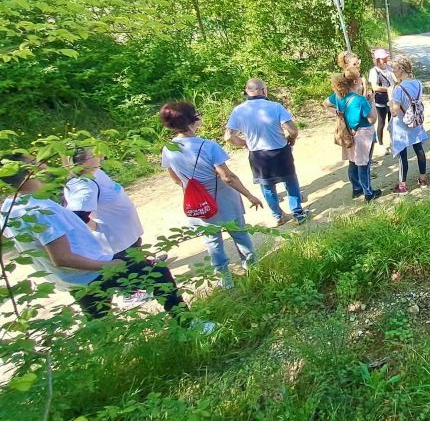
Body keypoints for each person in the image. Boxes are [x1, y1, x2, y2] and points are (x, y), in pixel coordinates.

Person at [1, 154, 211, 330]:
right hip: (91, 271)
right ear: (31, 171)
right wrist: (109, 265)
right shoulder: (38, 212)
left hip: (72, 279)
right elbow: (61, 258)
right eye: (36, 161)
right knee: (157, 273)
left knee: (98, 320)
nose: (44, 164)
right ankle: (190, 324)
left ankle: (105, 357)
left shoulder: (10, 208)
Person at [160, 102, 263, 289]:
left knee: (212, 241)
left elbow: (175, 179)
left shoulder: (168, 148)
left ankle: (225, 279)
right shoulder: (208, 146)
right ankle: (252, 268)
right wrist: (249, 195)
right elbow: (227, 177)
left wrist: (194, 189)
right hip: (223, 197)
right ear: (191, 121)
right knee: (239, 233)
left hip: (198, 201)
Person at [64, 148, 149, 306]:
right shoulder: (84, 185)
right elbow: (76, 215)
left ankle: (144, 270)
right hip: (113, 237)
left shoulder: (96, 173)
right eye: (95, 154)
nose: (101, 154)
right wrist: (94, 225)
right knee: (124, 261)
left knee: (134, 253)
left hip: (125, 232)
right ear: (83, 162)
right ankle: (129, 294)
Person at [224, 78, 305, 226]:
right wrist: (291, 140)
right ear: (263, 90)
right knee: (290, 180)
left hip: (258, 155)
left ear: (247, 92)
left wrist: (244, 144)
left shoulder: (239, 111)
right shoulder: (275, 107)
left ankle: (277, 215)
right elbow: (293, 130)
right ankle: (298, 213)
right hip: (280, 151)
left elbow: (228, 137)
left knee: (267, 186)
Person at [324, 69, 382, 202]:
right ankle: (368, 192)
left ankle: (356, 188)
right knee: (364, 164)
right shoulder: (359, 99)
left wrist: (338, 113)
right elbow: (372, 119)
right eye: (360, 78)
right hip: (362, 134)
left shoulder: (339, 95)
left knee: (352, 161)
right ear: (356, 81)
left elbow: (326, 103)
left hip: (347, 134)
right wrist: (371, 102)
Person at [389, 56, 429, 193]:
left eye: (394, 68)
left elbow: (394, 111)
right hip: (416, 121)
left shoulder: (398, 89)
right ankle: (423, 179)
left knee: (403, 155)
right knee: (419, 150)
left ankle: (402, 185)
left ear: (401, 69)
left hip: (402, 126)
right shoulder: (418, 83)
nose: (392, 71)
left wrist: (390, 100)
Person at [368, 49, 395, 151]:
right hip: (381, 99)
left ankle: (393, 142)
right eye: (383, 58)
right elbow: (374, 87)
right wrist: (388, 89)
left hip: (391, 98)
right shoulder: (374, 71)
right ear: (378, 60)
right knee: (381, 123)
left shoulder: (389, 68)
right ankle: (381, 144)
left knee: (392, 122)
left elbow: (394, 80)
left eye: (385, 57)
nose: (385, 59)